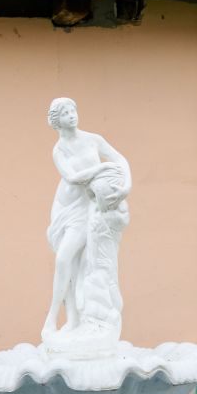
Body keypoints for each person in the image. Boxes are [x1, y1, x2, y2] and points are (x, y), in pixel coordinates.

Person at [42, 97, 131, 349]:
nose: (72, 115)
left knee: (70, 261)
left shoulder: (93, 139)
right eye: (65, 113)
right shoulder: (59, 150)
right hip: (64, 209)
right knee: (68, 263)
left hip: (86, 209)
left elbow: (121, 161)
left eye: (73, 110)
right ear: (56, 121)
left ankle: (53, 318)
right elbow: (72, 177)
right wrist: (102, 170)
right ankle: (70, 319)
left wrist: (126, 186)